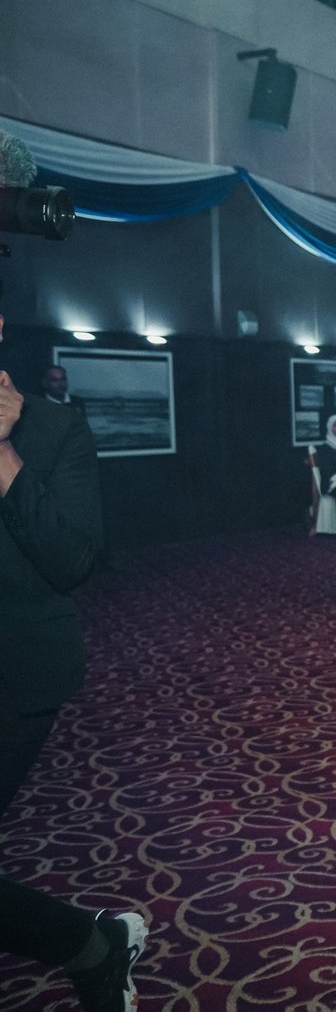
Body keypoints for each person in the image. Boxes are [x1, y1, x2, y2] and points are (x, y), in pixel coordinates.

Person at [1, 309, 148, 1011]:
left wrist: (4, 453)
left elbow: (71, 560)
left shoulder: (54, 429)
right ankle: (92, 945)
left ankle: (89, 946)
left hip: (15, 671)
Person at [312, 413, 336, 496]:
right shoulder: (325, 449)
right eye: (335, 425)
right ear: (330, 428)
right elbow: (327, 472)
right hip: (333, 486)